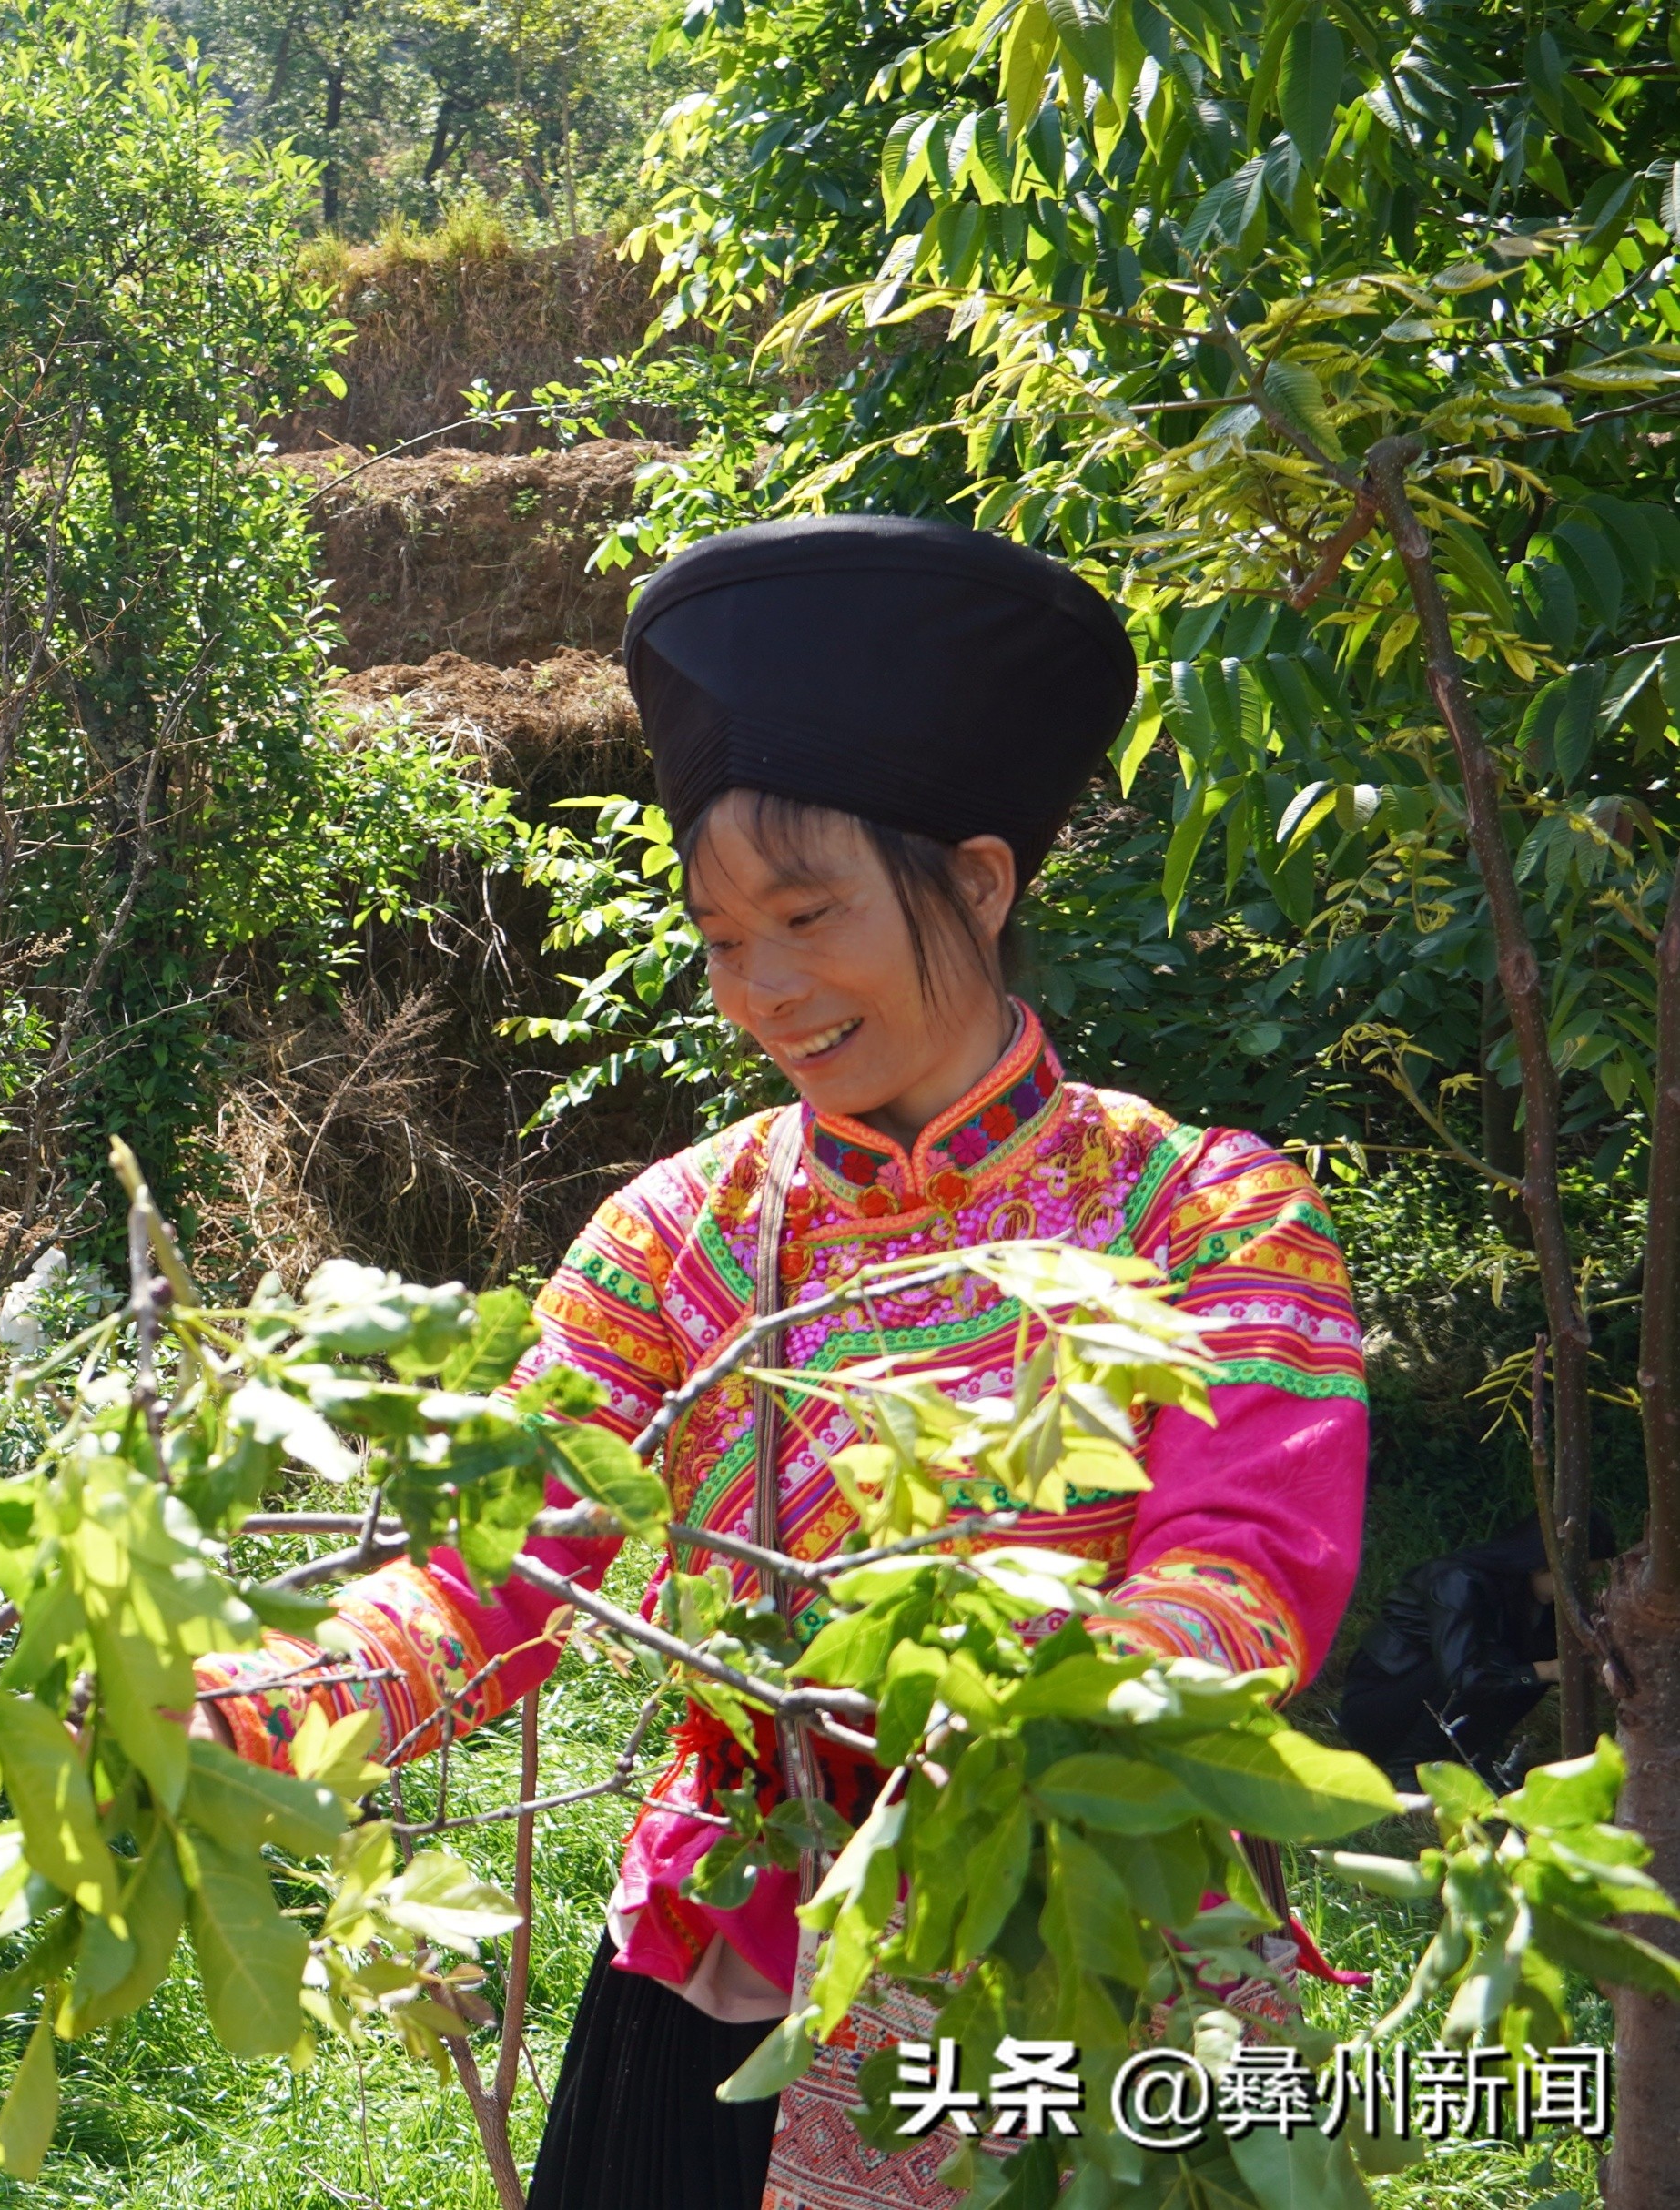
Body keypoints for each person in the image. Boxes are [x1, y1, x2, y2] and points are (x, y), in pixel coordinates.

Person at [191, 517, 1368, 2210]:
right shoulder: (681, 1233)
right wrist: (260, 1701)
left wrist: (1024, 1726)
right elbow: (507, 1560)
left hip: (1085, 1970)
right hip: (720, 1975)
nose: (765, 986)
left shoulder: (1204, 1217)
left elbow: (1246, 1573)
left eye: (810, 914)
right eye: (725, 935)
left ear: (976, 881)